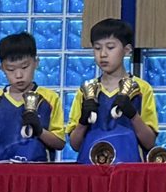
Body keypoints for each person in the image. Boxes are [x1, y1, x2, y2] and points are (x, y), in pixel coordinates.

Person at [66, 17, 159, 164]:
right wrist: (83, 121)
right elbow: (75, 145)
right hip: (89, 168)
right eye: (97, 48)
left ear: (127, 50)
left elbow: (149, 142)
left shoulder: (142, 89)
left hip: (129, 169)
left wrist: (133, 115)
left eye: (110, 47)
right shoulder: (86, 91)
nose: (103, 54)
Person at [0, 31, 66, 163]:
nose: (18, 75)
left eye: (24, 67)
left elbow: (60, 143)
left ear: (36, 62)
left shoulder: (49, 98)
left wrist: (39, 130)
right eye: (11, 69)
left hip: (37, 170)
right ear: (1, 68)